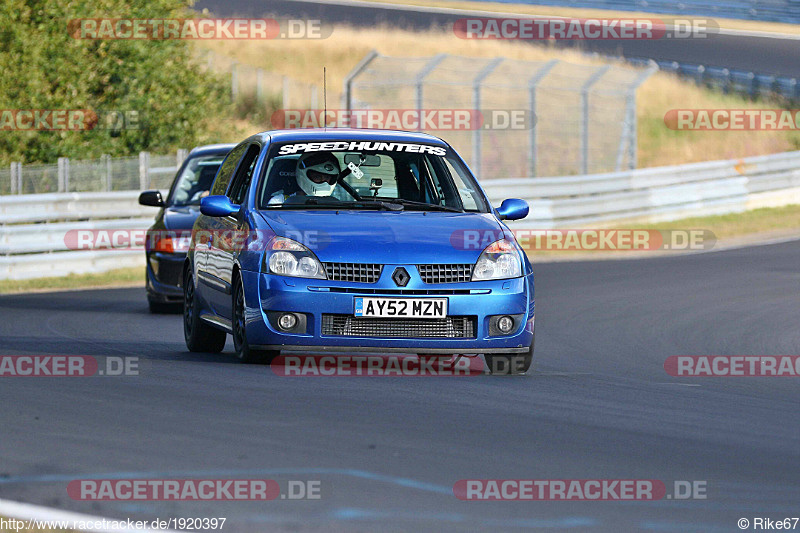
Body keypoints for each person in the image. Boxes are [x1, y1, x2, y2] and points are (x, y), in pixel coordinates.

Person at [268, 152, 340, 204]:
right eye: (318, 177)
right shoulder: (279, 202)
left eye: (327, 177)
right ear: (303, 175)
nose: (324, 181)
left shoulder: (339, 205)